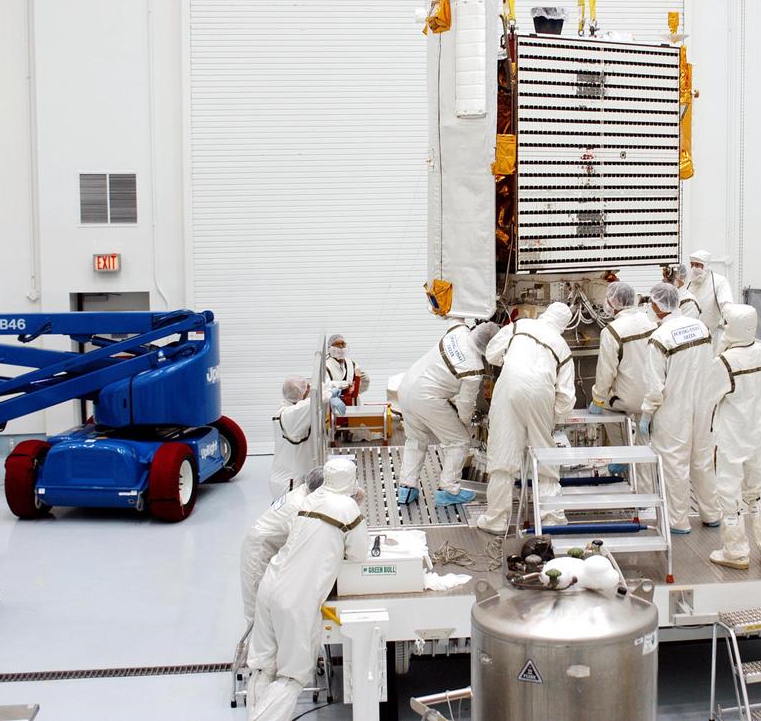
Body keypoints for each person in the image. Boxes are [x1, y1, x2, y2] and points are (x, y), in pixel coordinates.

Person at [247, 457, 369, 721]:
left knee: (262, 667)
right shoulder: (348, 507)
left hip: (270, 585)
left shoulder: (307, 499)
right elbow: (359, 554)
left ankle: (254, 713)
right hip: (295, 599)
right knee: (293, 676)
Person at [478, 303, 576, 536]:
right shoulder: (562, 347)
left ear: (545, 314)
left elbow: (491, 353)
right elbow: (566, 396)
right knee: (545, 457)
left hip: (509, 387)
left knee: (502, 455)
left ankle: (496, 521)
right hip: (542, 394)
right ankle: (551, 519)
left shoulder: (520, 326)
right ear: (563, 325)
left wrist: (510, 360)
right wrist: (551, 419)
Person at [705, 304, 761, 569]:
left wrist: (719, 352)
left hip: (730, 437)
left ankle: (736, 552)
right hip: (756, 433)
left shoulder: (725, 361)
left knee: (729, 494)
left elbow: (709, 396)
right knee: (758, 492)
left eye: (726, 324)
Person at [641, 282, 720, 534]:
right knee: (702, 460)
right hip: (703, 406)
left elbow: (655, 386)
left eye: (651, 304)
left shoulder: (660, 338)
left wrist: (646, 415)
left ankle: (678, 522)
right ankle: (711, 513)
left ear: (659, 306)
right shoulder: (701, 328)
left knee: (675, 465)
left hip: (673, 411)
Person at [395, 322, 500, 506]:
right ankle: (448, 490)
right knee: (459, 441)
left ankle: (406, 488)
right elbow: (465, 404)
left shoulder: (458, 331)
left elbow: (454, 317)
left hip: (406, 386)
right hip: (427, 398)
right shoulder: (473, 368)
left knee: (415, 439)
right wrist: (465, 424)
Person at [240, 466, 325, 625]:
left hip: (267, 547)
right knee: (257, 610)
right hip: (259, 554)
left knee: (268, 609)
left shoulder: (303, 490)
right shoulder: (299, 506)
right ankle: (250, 647)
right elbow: (302, 543)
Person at [589, 281, 656, 418]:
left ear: (615, 301)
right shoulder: (650, 321)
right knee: (643, 436)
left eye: (608, 299)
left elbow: (606, 372)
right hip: (652, 396)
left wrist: (598, 400)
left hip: (626, 401)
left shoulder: (611, 331)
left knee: (607, 412)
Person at [269, 376, 315, 499]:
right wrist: (329, 393)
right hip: (289, 483)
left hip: (290, 479)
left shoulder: (291, 411)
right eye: (308, 388)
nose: (310, 391)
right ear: (302, 394)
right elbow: (312, 402)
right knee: (290, 516)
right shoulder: (290, 415)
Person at [683, 250, 733, 342]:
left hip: (712, 336)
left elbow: (726, 305)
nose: (694, 268)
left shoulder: (719, 281)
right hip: (689, 336)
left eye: (697, 265)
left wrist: (731, 321)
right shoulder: (689, 282)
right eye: (692, 264)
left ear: (706, 265)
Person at [324, 335, 368, 418]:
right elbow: (324, 386)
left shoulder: (352, 364)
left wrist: (361, 384)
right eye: (337, 344)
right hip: (333, 407)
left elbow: (360, 386)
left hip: (353, 406)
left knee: (353, 428)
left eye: (343, 344)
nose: (341, 347)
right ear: (330, 348)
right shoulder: (325, 366)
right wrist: (344, 384)